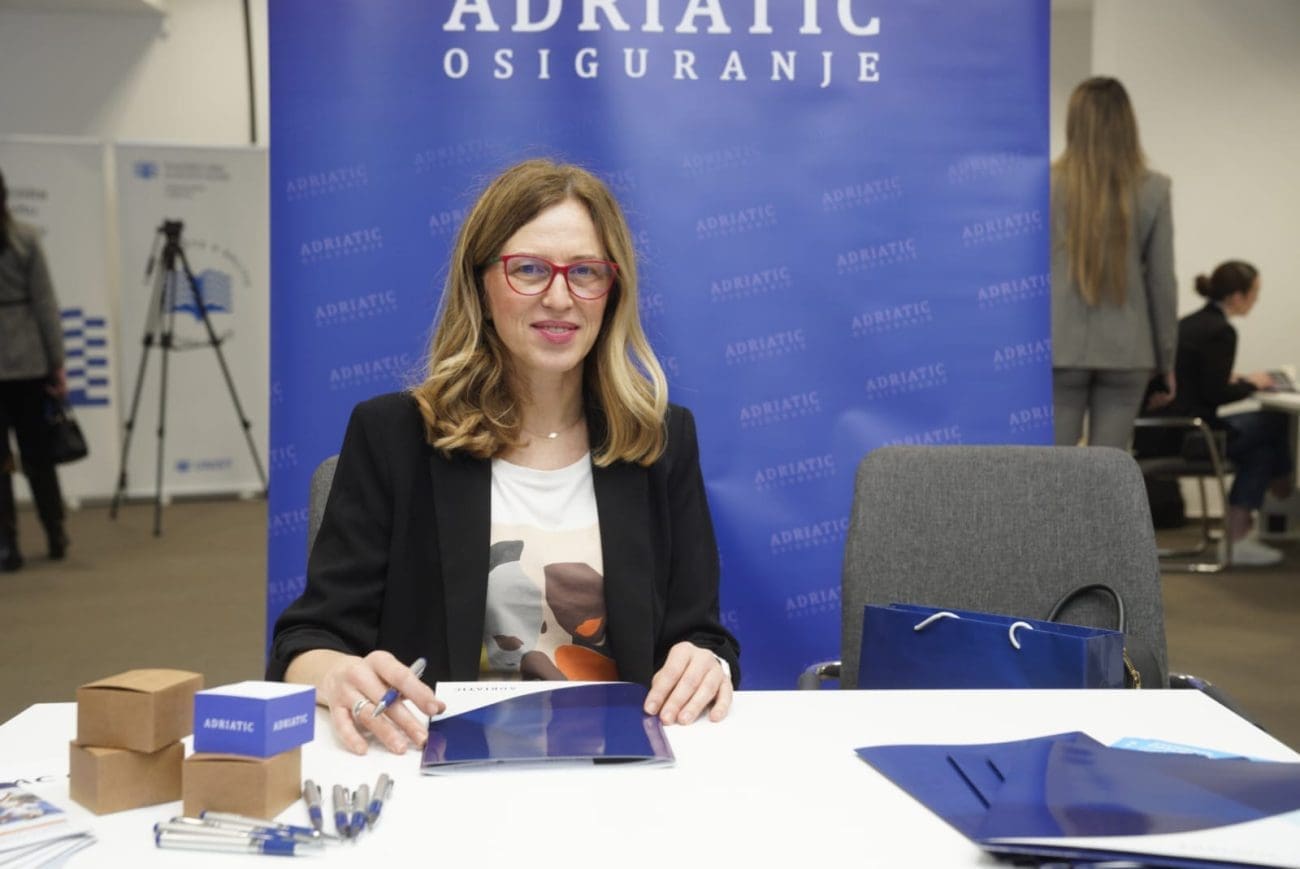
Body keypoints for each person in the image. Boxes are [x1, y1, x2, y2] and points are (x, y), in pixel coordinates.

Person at [268, 159, 740, 755]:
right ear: (481, 284)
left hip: (617, 770)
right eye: (530, 270)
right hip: (442, 770)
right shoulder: (394, 438)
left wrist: (706, 663)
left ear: (612, 290)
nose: (560, 298)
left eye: (585, 272)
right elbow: (306, 641)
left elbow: (702, 637)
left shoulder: (660, 440)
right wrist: (336, 673)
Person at [1051, 77, 1178, 448]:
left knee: (1051, 466)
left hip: (1059, 345)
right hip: (1129, 349)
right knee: (1109, 467)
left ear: (1073, 122)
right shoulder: (1154, 188)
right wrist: (1167, 360)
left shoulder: (1045, 185)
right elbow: (1161, 282)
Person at [1158, 261, 1293, 566]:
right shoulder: (1221, 331)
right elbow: (1215, 393)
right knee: (1275, 422)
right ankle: (1282, 483)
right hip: (1193, 436)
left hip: (1168, 431)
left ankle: (1237, 539)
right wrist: (1252, 383)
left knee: (1262, 451)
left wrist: (1236, 380)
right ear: (1236, 296)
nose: (1256, 300)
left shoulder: (1191, 323)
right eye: (1254, 293)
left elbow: (1198, 381)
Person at [0, 167, 69, 572]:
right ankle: (55, 530)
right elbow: (45, 304)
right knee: (38, 456)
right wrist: (56, 363)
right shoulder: (25, 238)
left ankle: (7, 545)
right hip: (28, 363)